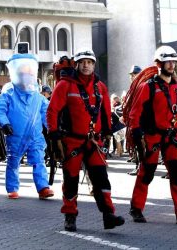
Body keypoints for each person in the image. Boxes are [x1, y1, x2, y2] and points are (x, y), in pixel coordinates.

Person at [47, 48, 125, 232]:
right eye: (82, 62)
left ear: (94, 64)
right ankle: (70, 216)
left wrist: (107, 133)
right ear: (76, 64)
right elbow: (52, 111)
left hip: (94, 142)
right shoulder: (65, 85)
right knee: (71, 180)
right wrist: (54, 135)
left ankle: (108, 215)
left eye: (89, 62)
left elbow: (106, 112)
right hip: (72, 141)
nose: (86, 65)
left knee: (101, 179)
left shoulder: (101, 87)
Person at [128, 46, 177, 226]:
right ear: (159, 63)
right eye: (168, 61)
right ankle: (136, 208)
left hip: (172, 137)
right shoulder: (147, 87)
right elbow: (135, 114)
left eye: (173, 62)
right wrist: (137, 135)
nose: (171, 65)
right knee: (147, 173)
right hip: (152, 137)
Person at [0, 53, 54, 200]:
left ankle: (43, 187)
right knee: (13, 161)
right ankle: (12, 188)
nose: (26, 77)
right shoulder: (9, 94)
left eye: (29, 74)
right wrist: (5, 123)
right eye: (23, 74)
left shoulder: (38, 98)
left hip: (35, 136)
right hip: (15, 135)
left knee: (39, 160)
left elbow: (47, 115)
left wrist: (52, 129)